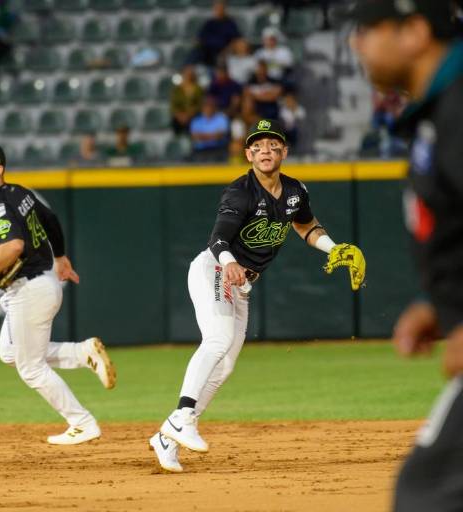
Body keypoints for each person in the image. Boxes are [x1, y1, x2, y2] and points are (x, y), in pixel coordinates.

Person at [148, 119, 365, 473]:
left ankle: (168, 436)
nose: (266, 150)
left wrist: (333, 248)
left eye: (273, 144)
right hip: (215, 269)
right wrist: (230, 263)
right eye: (258, 145)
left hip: (242, 285)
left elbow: (305, 225)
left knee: (226, 365)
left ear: (284, 151)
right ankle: (182, 416)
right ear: (248, 154)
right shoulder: (240, 192)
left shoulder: (295, 191)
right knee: (217, 341)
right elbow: (217, 240)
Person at [350, 1, 463, 510]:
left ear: (415, 31)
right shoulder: (441, 109)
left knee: (428, 492)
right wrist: (437, 303)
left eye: (368, 28)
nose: (357, 43)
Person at [0, 141, 117, 445]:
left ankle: (81, 422)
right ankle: (81, 353)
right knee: (10, 353)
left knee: (30, 368)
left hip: (29, 290)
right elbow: (51, 219)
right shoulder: (19, 193)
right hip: (44, 281)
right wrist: (59, 257)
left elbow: (14, 245)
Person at [189, 0, 241, 67]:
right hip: (207, 52)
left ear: (225, 9)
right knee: (195, 52)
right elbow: (199, 39)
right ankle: (187, 69)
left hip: (223, 52)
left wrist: (225, 52)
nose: (219, 10)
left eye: (221, 8)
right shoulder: (209, 23)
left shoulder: (230, 24)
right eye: (217, 8)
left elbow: (236, 40)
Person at [189, 95, 230, 162]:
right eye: (206, 105)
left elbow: (219, 136)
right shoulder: (196, 120)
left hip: (217, 150)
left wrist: (202, 136)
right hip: (200, 151)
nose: (208, 107)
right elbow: (194, 137)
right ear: (202, 107)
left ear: (214, 107)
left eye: (210, 105)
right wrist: (212, 136)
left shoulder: (222, 118)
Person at [170, 64, 203, 136]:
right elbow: (174, 105)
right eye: (187, 74)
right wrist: (180, 115)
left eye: (190, 74)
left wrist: (189, 114)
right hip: (179, 117)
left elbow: (200, 104)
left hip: (193, 116)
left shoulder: (198, 89)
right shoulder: (177, 89)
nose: (188, 76)